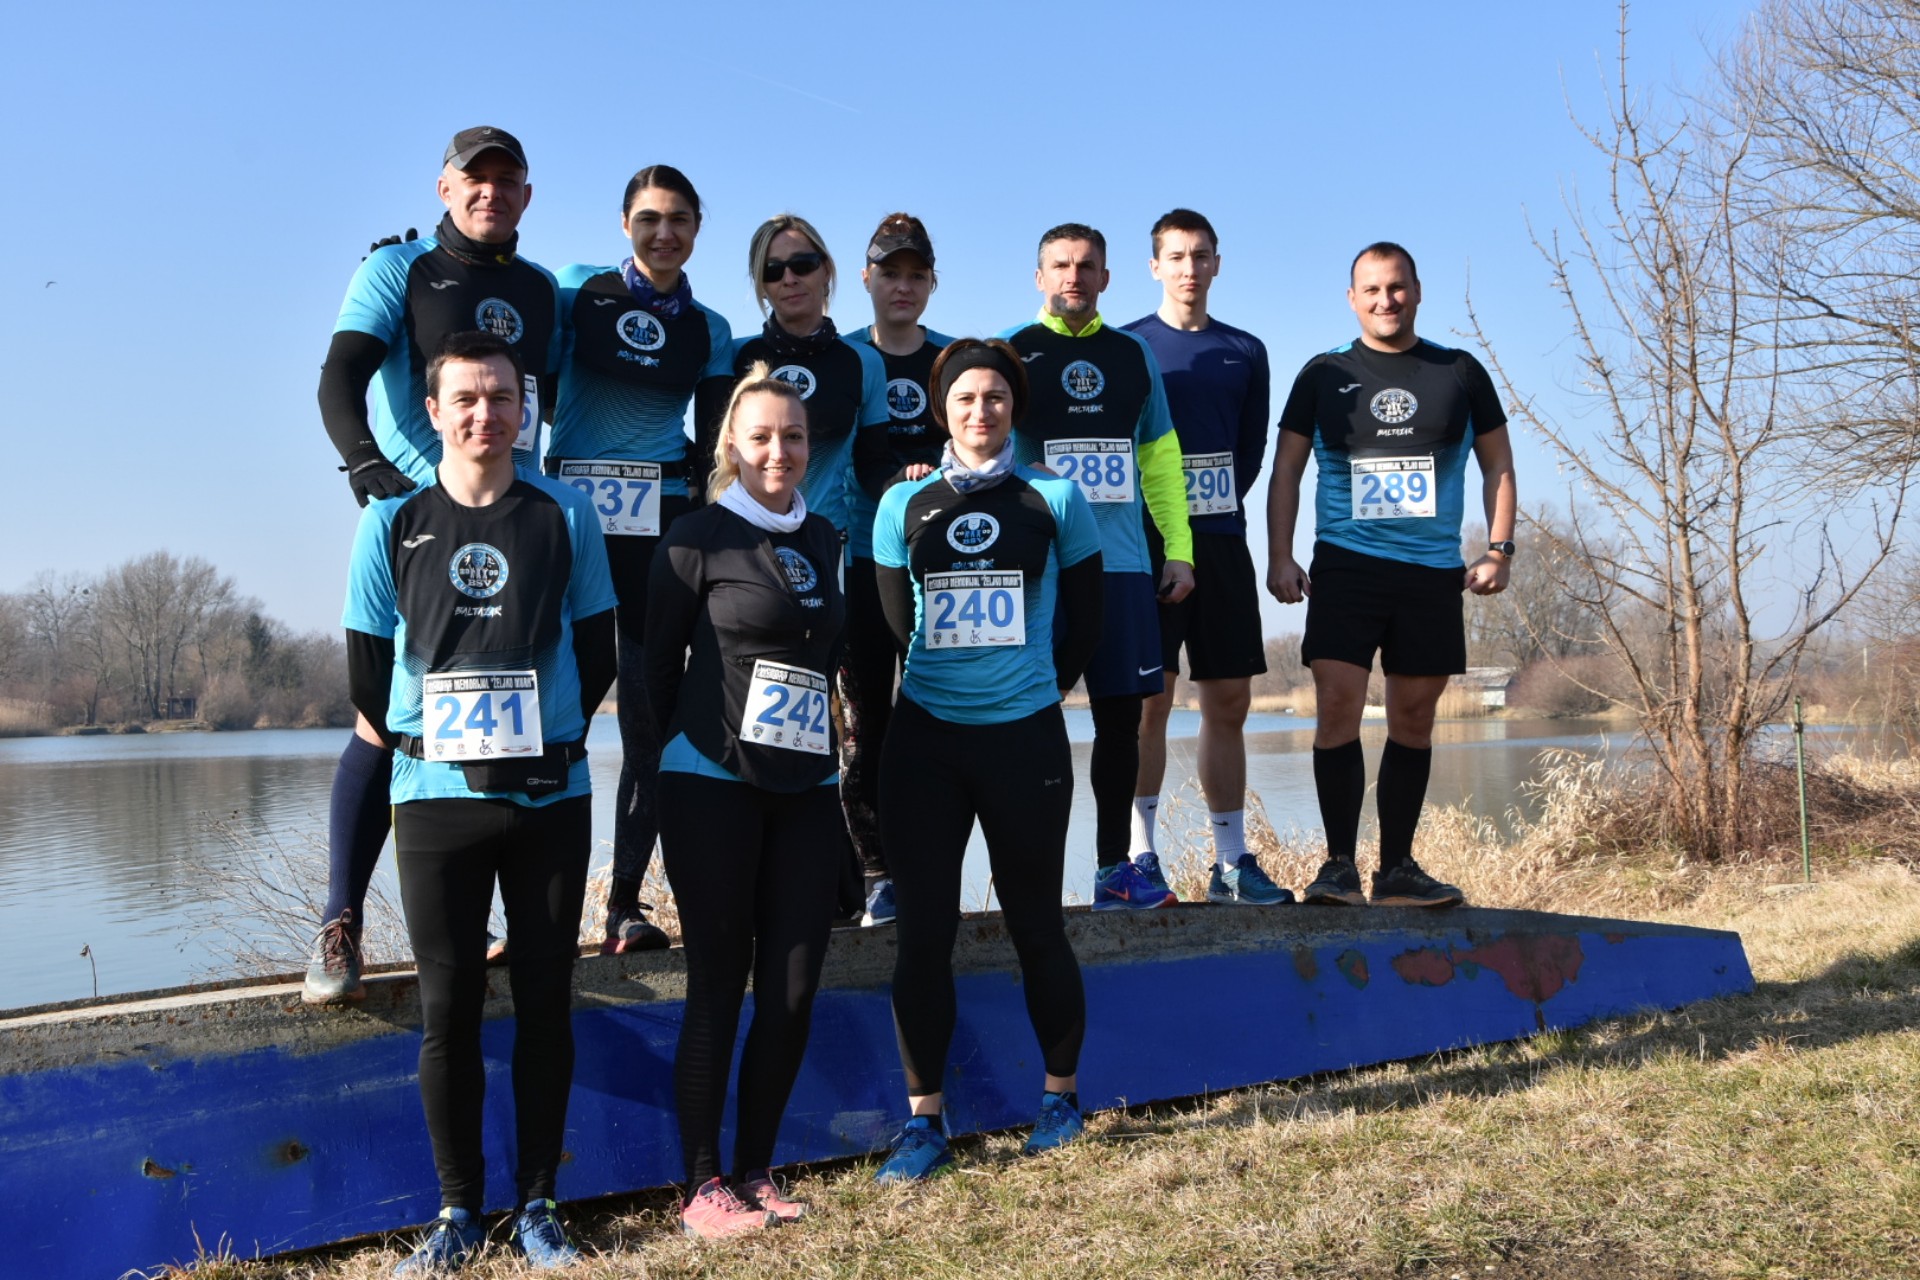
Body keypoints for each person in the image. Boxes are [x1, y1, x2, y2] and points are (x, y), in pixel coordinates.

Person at [342, 331, 615, 1272]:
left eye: (501, 397)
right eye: (466, 398)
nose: (484, 414)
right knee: (447, 1010)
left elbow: (599, 648)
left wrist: (545, 738)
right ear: (433, 410)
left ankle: (539, 1202)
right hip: (434, 799)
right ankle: (457, 1213)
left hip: (551, 795)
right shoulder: (389, 524)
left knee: (546, 1000)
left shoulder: (566, 514)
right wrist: (442, 736)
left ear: (522, 407)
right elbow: (369, 680)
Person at [306, 126, 561, 1004]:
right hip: (419, 521)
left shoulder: (539, 288)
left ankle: (475, 918)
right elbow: (339, 374)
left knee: (495, 713)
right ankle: (340, 923)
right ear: (446, 187)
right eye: (474, 179)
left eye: (507, 180)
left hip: (516, 525)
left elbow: (554, 403)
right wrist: (364, 464)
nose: (491, 192)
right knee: (386, 720)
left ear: (527, 194)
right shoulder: (398, 270)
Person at [869, 338, 1104, 1181]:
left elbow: (1087, 619)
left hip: (1026, 737)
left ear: (1016, 406)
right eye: (964, 398)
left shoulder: (1056, 497)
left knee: (1036, 922)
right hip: (925, 742)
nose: (980, 411)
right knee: (921, 936)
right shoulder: (902, 506)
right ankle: (924, 1123)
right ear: (942, 409)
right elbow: (901, 628)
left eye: (996, 398)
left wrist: (1030, 687)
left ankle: (1061, 1099)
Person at [646, 365, 847, 1235]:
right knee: (719, 985)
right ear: (731, 443)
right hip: (712, 784)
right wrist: (661, 782)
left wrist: (842, 798)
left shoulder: (830, 538)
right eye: (761, 435)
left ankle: (757, 1170)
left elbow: (828, 676)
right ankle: (702, 1188)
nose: (778, 451)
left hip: (806, 788)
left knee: (794, 988)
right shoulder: (695, 536)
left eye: (793, 436)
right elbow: (652, 673)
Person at [1266, 241, 1517, 908]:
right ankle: (1339, 868)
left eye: (1397, 287)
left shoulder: (1460, 371)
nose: (1386, 300)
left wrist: (1498, 550)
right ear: (1352, 298)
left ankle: (1398, 869)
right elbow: (1286, 467)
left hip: (1431, 573)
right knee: (1338, 710)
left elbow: (1498, 465)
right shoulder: (1322, 373)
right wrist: (1281, 555)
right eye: (1371, 289)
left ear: (1417, 290)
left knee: (1413, 719)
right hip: (1346, 567)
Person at [548, 164, 733, 956]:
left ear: (698, 228)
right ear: (624, 222)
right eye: (650, 218)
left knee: (649, 723)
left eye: (680, 220)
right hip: (571, 525)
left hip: (658, 535)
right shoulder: (575, 291)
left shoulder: (711, 327)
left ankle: (622, 906)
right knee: (554, 714)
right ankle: (534, 910)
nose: (665, 233)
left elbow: (721, 441)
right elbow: (527, 377)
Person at [695, 215, 888, 922]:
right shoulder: (742, 357)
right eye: (774, 269)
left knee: (860, 727)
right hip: (761, 577)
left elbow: (872, 462)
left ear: (828, 271)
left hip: (837, 562)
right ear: (758, 281)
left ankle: (869, 873)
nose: (790, 279)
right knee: (776, 722)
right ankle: (782, 877)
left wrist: (921, 477)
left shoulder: (859, 361)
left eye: (803, 263)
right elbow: (718, 468)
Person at [999, 224, 1195, 911]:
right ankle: (1028, 880)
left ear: (1108, 278)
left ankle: (1114, 869)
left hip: (1120, 569)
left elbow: (1160, 461)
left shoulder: (1133, 354)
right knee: (1030, 722)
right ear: (1039, 276)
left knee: (1120, 725)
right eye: (1060, 265)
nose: (1073, 277)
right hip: (1039, 573)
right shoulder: (1010, 353)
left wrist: (1179, 549)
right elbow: (977, 445)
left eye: (1086, 266)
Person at [1122, 210, 1289, 906]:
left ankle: (1230, 861)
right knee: (1148, 703)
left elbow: (1249, 453)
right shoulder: (1127, 346)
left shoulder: (1245, 349)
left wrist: (1204, 506)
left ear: (1218, 264)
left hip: (1221, 539)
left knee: (1228, 699)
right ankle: (1139, 857)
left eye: (1201, 256)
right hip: (1147, 544)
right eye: (1176, 256)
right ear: (1154, 266)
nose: (1189, 268)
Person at [842, 213, 956, 928]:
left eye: (917, 275)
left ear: (932, 282)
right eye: (890, 273)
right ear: (866, 279)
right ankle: (874, 873)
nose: (903, 287)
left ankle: (932, 868)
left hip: (946, 572)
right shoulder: (848, 357)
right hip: (860, 562)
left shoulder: (956, 359)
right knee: (866, 728)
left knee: (935, 724)